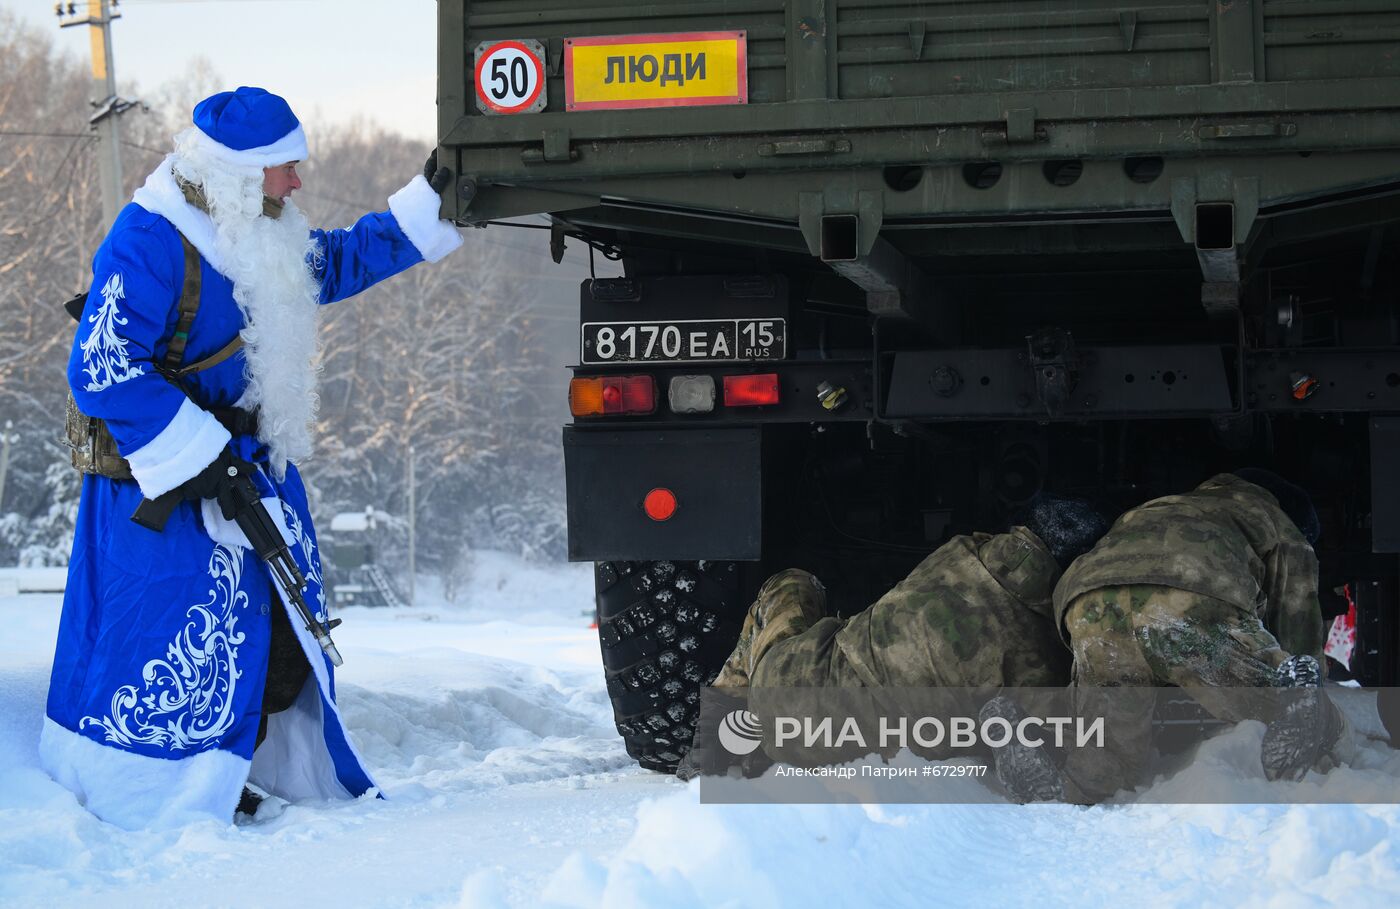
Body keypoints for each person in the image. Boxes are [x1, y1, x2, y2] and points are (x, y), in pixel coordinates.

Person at [42, 87, 463, 829]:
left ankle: (235, 772)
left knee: (267, 643)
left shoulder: (258, 227)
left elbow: (335, 262)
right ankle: (149, 796)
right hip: (164, 494)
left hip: (243, 478)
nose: (297, 183)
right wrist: (197, 452)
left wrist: (429, 202)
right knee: (164, 650)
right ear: (239, 173)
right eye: (284, 169)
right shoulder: (150, 237)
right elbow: (101, 365)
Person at [678, 497, 1109, 782]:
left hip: (788, 698)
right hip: (874, 757)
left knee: (792, 584)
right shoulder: (1049, 660)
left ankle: (710, 744)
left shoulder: (962, 553)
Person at [1044, 469, 1348, 801]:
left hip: (1090, 603)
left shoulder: (1153, 507)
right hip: (1188, 597)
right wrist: (1304, 679)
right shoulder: (1275, 519)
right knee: (1279, 705)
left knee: (1107, 753)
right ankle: (1296, 705)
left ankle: (1059, 782)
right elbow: (1297, 618)